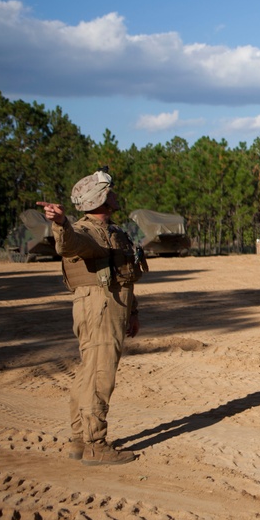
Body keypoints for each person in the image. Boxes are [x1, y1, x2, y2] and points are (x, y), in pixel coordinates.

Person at [38, 169, 147, 466]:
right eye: (109, 190)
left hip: (113, 304)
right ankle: (96, 444)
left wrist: (132, 313)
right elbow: (68, 243)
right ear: (100, 199)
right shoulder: (85, 231)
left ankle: (78, 440)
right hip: (99, 306)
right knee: (100, 374)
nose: (114, 194)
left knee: (88, 372)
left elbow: (125, 275)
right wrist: (60, 223)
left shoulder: (113, 231)